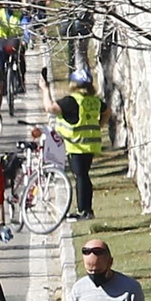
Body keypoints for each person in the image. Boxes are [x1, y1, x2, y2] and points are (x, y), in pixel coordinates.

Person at [43, 67, 105, 219]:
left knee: (81, 176)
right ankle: (86, 209)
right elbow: (107, 111)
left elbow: (50, 108)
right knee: (84, 175)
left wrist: (45, 89)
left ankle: (84, 211)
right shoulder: (94, 100)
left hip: (76, 145)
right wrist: (99, 125)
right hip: (90, 145)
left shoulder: (71, 101)